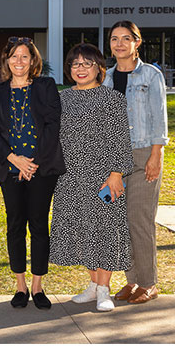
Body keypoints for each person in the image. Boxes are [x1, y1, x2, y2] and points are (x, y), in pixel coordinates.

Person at [49, 43, 133, 312]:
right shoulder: (61, 100)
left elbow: (121, 140)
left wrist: (116, 174)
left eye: (87, 63)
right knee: (82, 231)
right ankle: (93, 285)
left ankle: (105, 289)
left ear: (99, 67)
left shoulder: (113, 99)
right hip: (70, 177)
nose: (80, 69)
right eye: (75, 64)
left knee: (105, 229)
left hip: (104, 176)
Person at [0, 37, 65, 309]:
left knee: (39, 226)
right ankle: (20, 286)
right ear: (7, 61)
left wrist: (33, 163)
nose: (19, 62)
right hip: (10, 169)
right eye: (14, 57)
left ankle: (38, 287)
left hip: (41, 169)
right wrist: (14, 159)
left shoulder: (46, 87)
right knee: (15, 225)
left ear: (33, 61)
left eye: (25, 57)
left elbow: (53, 125)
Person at [104, 21, 168, 304]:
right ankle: (132, 282)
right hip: (114, 160)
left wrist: (157, 155)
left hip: (144, 155)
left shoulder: (151, 75)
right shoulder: (106, 78)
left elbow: (160, 119)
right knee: (120, 221)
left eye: (125, 38)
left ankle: (149, 283)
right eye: (114, 39)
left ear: (137, 42)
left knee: (140, 220)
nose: (119, 44)